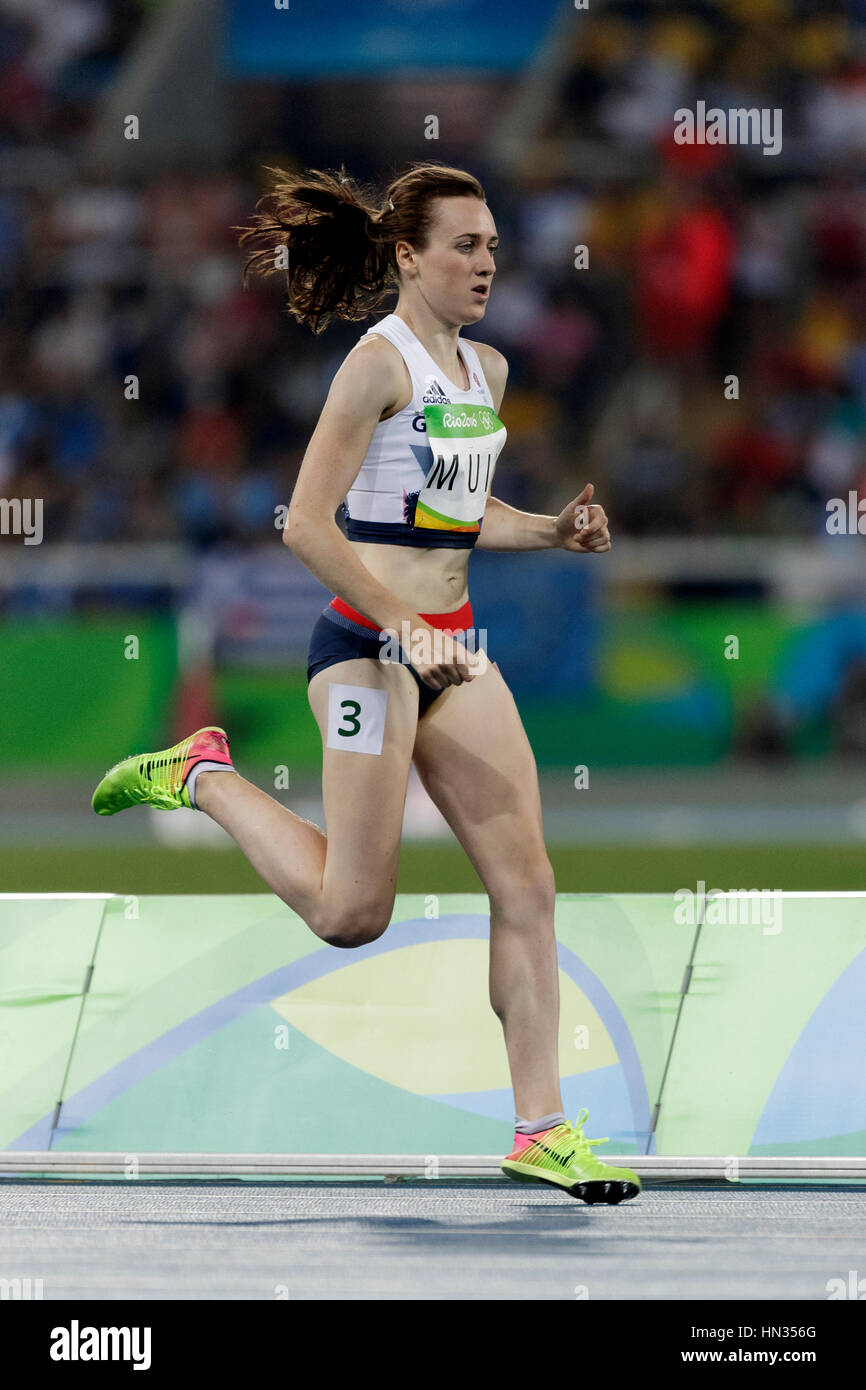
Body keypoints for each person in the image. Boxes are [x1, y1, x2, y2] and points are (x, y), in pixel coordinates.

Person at [92, 162, 640, 1204]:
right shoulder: (373, 365)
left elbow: (454, 517)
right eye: (463, 246)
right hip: (364, 646)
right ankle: (204, 773)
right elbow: (303, 521)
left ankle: (541, 1128)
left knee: (525, 884)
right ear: (405, 255)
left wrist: (549, 531)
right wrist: (400, 629)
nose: (486, 263)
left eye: (490, 245)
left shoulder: (487, 370)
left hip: (452, 648)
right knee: (353, 913)